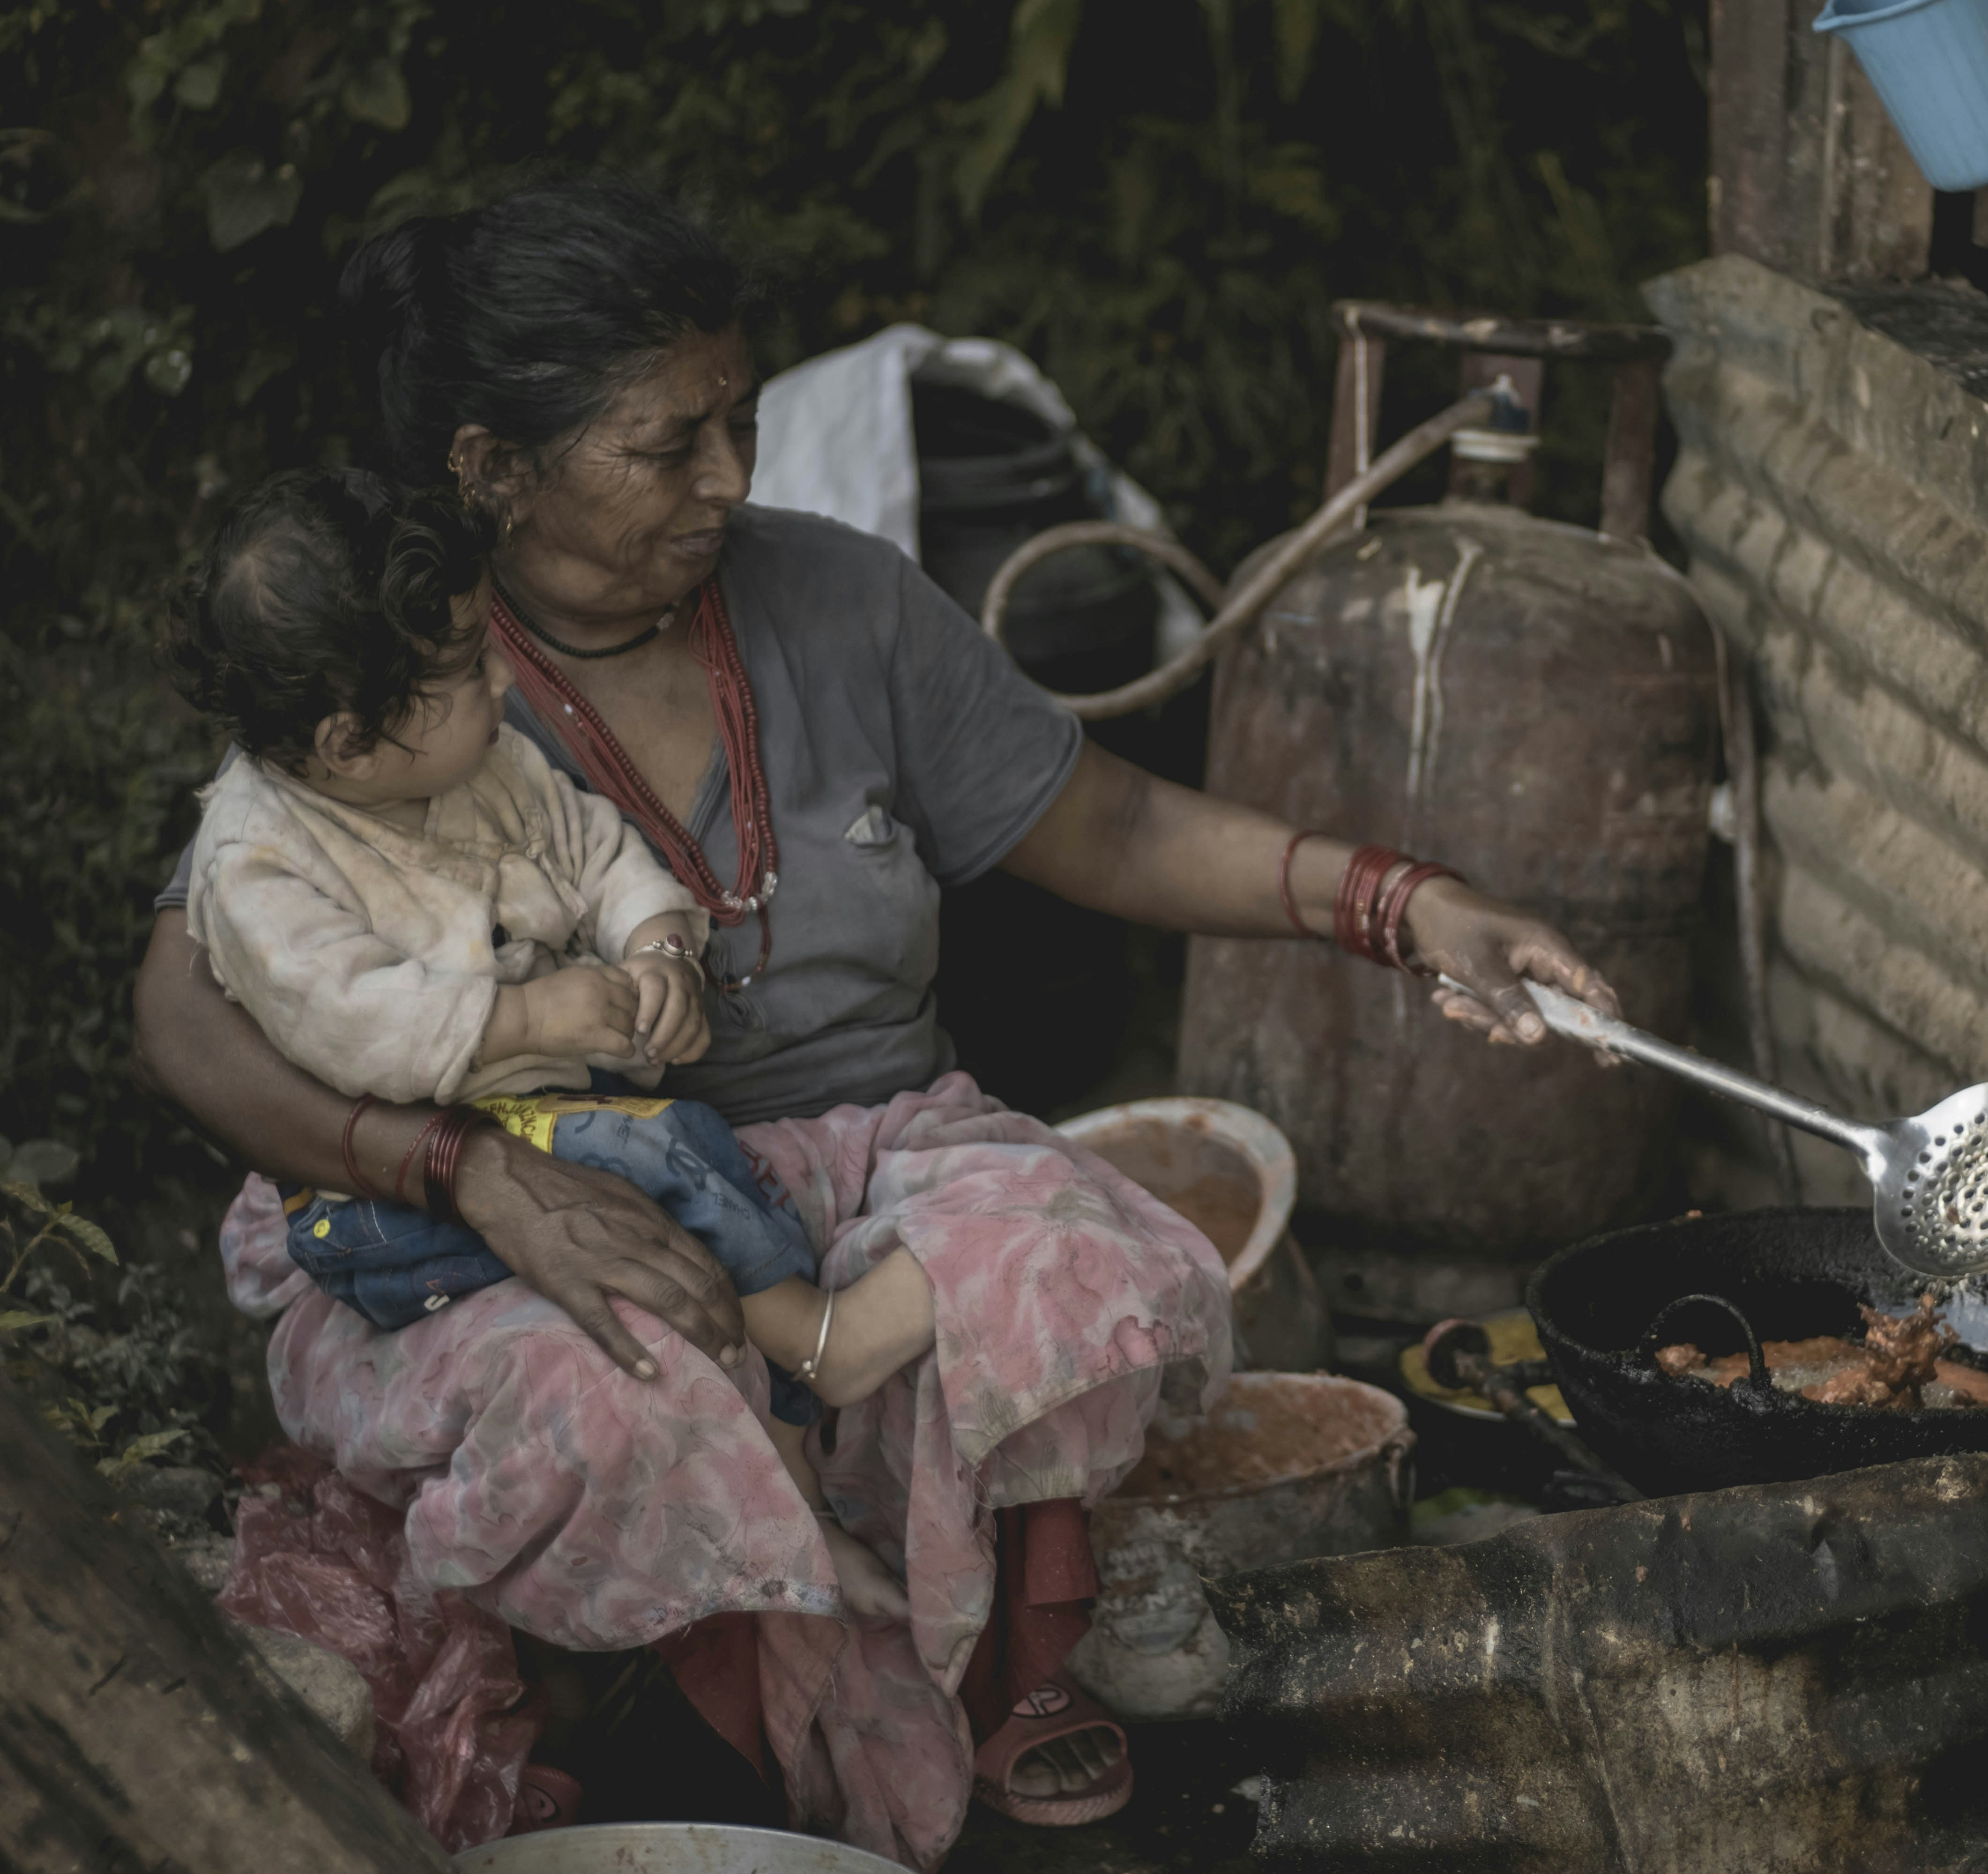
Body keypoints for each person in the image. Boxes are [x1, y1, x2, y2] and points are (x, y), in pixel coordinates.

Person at [133, 171, 1616, 1863]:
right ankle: (648, 1726)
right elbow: (184, 1011)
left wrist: (1405, 904)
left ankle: (991, 1667)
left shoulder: (840, 602)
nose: (729, 479)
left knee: (1058, 1248)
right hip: (539, 1183)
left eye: (740, 423)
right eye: (666, 444)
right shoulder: (396, 675)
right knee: (605, 1389)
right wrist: (459, 1172)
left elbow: (1115, 826)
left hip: (877, 1159)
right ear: (492, 468)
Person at [166, 466, 936, 1614]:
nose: (502, 675)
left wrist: (659, 944)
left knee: (684, 1179)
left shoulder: (476, 759)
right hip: (386, 1193)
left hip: (534, 1122)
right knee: (660, 1157)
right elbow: (363, 1024)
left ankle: (801, 1508)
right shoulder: (259, 865)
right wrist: (533, 1015)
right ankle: (823, 1340)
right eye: (470, 666)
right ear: (347, 741)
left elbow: (590, 843)